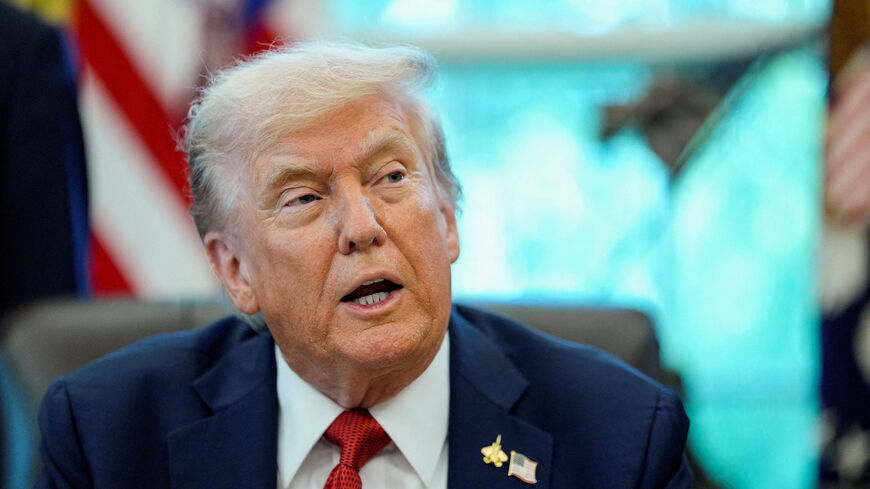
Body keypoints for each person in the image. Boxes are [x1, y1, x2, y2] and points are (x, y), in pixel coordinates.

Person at [34, 42, 691, 489]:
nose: (362, 226)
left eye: (392, 176)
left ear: (449, 217)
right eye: (304, 197)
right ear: (235, 270)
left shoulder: (621, 437)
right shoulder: (108, 434)